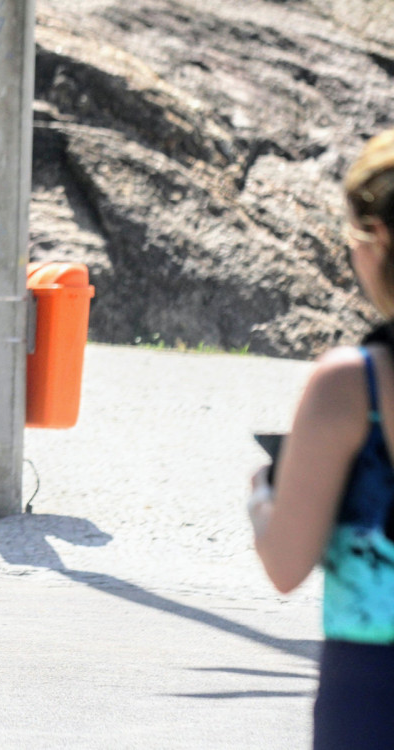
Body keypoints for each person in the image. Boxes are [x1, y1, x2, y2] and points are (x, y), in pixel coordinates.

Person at [250, 127, 394, 749]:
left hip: (372, 695)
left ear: (379, 235)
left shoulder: (350, 386)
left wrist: (262, 495)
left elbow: (286, 566)